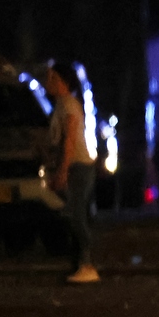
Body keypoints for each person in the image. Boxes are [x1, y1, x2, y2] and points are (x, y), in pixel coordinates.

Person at [45, 61, 100, 284]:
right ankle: (77, 264)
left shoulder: (68, 105)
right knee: (71, 214)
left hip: (79, 168)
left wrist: (63, 171)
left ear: (62, 81)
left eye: (51, 78)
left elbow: (69, 141)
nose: (47, 82)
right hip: (74, 167)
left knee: (77, 216)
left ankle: (87, 265)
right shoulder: (61, 104)